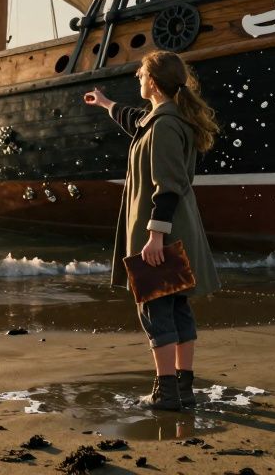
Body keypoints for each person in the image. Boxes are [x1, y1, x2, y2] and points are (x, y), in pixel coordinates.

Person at [83, 50, 221, 411]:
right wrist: (105, 103)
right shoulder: (167, 120)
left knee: (155, 309)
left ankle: (166, 392)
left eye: (142, 74)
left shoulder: (163, 127)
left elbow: (169, 184)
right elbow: (135, 122)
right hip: (177, 229)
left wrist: (155, 236)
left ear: (154, 83)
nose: (138, 79)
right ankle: (184, 387)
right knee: (177, 308)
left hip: (163, 232)